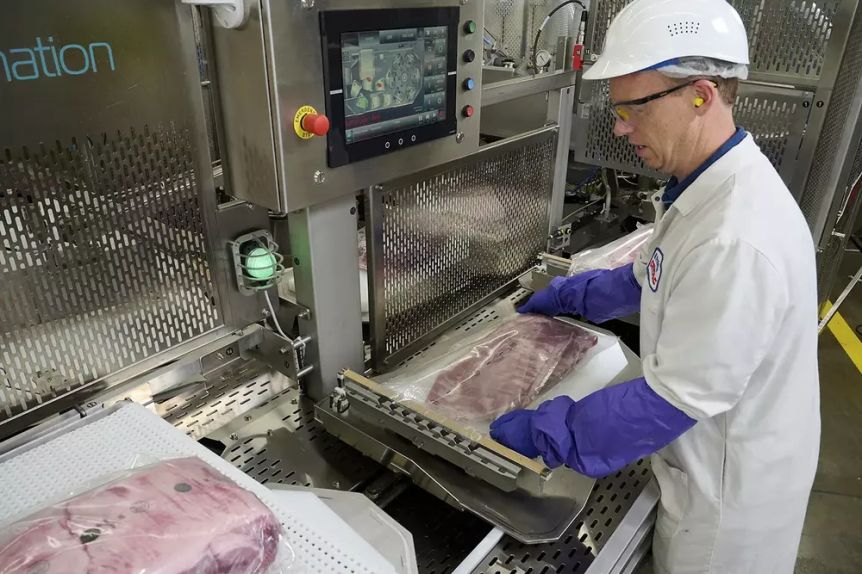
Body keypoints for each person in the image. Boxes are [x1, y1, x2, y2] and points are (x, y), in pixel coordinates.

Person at [489, 0, 821, 572]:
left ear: (701, 96)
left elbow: (671, 400)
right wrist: (573, 294)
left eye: (632, 108)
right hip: (704, 462)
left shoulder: (737, 237)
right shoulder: (704, 184)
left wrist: (553, 432)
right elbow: (649, 277)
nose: (620, 127)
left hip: (724, 505)